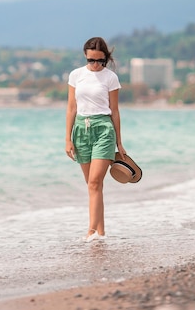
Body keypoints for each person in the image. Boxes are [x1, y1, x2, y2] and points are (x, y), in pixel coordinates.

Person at [65, 36, 126, 242]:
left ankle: (90, 232)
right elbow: (71, 108)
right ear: (85, 56)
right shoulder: (76, 75)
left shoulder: (110, 78)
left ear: (105, 59)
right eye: (91, 60)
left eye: (100, 61)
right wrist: (67, 138)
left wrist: (119, 142)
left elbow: (115, 112)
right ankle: (101, 234)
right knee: (94, 186)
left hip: (103, 130)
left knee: (94, 182)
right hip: (81, 130)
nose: (96, 65)